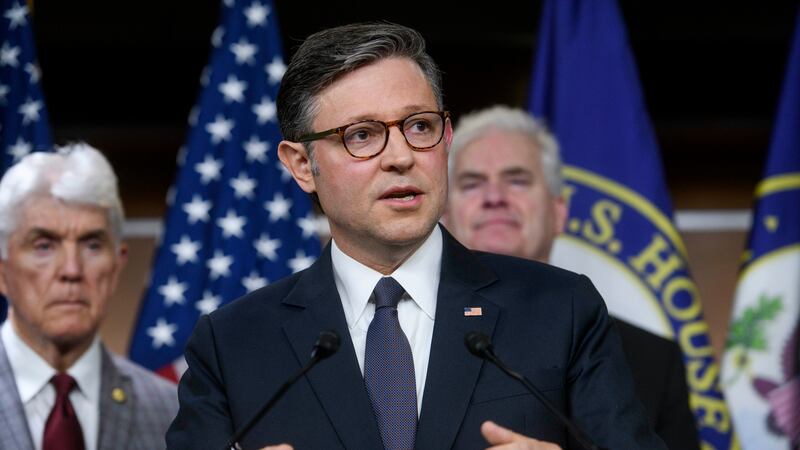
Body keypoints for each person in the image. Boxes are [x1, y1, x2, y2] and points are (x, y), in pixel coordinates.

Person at [166, 22, 666, 450]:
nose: (401, 156)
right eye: (361, 135)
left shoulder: (561, 310)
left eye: (419, 126)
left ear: (446, 138)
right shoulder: (232, 344)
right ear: (302, 165)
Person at [443, 105, 700, 450]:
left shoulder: (652, 359)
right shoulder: (404, 334)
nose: (494, 198)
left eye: (517, 180)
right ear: (444, 216)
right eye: (471, 184)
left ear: (559, 212)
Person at [0, 143, 178, 450]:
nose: (71, 269)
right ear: (2, 270)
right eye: (44, 246)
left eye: (92, 245)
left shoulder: (172, 412)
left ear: (118, 263)